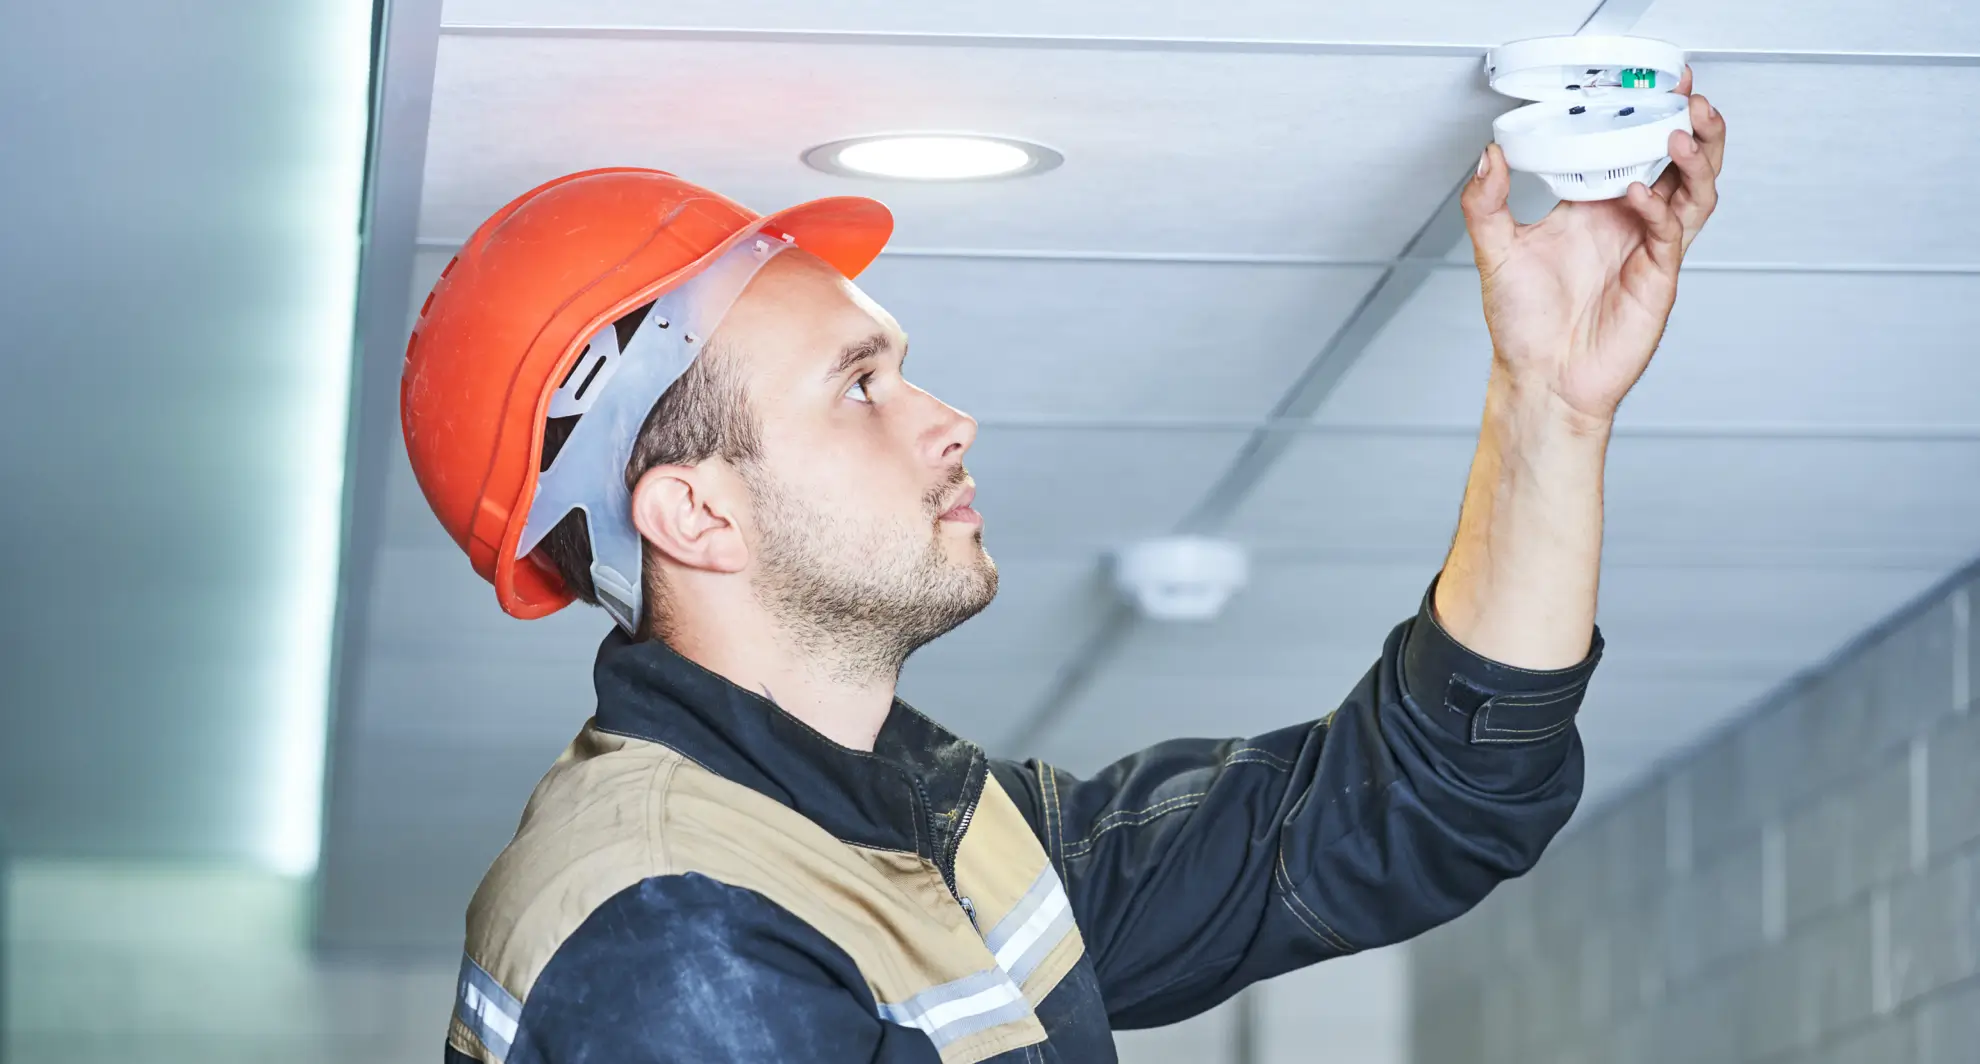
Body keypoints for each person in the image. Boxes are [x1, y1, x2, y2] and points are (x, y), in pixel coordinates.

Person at [404, 72, 1726, 1064]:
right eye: (859, 388)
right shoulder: (669, 930)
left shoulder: (928, 830)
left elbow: (1413, 810)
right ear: (697, 515)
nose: (945, 418)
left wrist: (1552, 403)